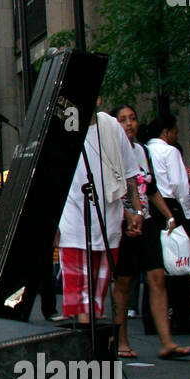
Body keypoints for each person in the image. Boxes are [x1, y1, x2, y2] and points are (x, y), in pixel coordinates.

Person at [111, 104, 190, 360]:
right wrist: (127, 217)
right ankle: (121, 339)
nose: (129, 124)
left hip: (145, 222)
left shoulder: (143, 151)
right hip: (121, 226)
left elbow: (152, 188)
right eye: (123, 120)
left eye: (132, 118)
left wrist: (169, 217)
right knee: (123, 283)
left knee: (157, 277)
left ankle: (166, 341)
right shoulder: (111, 153)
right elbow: (112, 191)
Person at [57, 107, 141, 324]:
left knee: (97, 298)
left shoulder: (111, 127)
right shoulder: (62, 126)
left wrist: (135, 211)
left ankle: (92, 347)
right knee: (82, 301)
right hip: (74, 221)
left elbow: (130, 174)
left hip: (108, 221)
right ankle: (88, 347)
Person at [145, 113, 190, 334]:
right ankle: (180, 316)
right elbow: (180, 185)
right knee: (178, 262)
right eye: (175, 132)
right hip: (170, 206)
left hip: (151, 205)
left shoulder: (144, 150)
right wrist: (187, 214)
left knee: (155, 265)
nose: (175, 136)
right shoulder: (170, 151)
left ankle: (152, 318)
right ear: (166, 132)